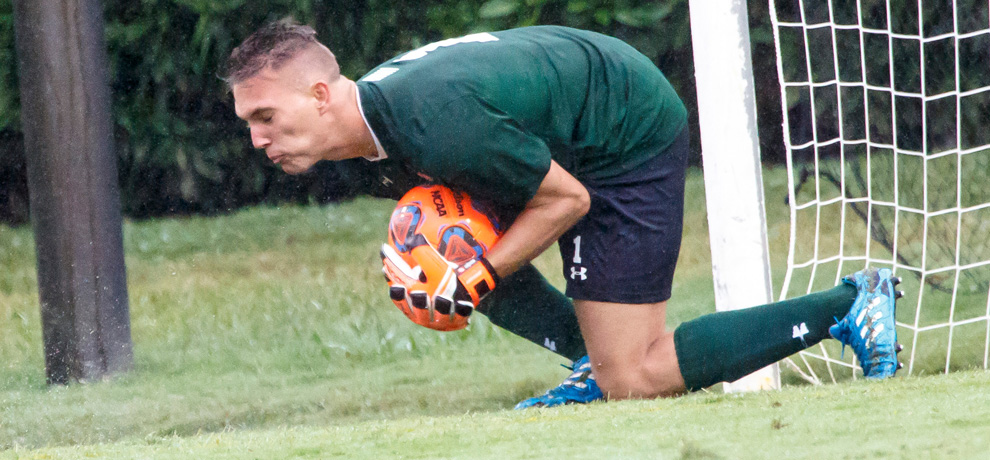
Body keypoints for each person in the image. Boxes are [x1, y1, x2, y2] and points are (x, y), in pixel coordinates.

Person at [224, 20, 902, 408]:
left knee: (633, 376)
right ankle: (590, 361)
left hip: (622, 130)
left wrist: (471, 278)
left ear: (319, 94)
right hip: (564, 130)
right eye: (248, 122)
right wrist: (442, 264)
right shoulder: (381, 130)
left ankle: (848, 304)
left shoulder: (435, 123)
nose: (256, 140)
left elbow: (567, 200)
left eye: (265, 116)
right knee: (449, 245)